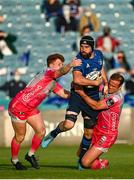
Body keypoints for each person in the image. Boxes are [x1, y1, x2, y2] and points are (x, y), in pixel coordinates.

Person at [8, 53, 82, 170]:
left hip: (30, 108)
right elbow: (62, 71)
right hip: (19, 106)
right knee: (20, 136)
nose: (61, 66)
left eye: (62, 64)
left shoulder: (52, 81)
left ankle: (30, 155)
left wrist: (79, 94)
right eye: (59, 64)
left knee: (41, 131)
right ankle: (15, 160)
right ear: (51, 65)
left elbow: (63, 93)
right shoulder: (48, 72)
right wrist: (71, 64)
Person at [41, 35, 108, 161]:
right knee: (68, 125)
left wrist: (105, 82)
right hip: (78, 94)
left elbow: (101, 68)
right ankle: (53, 134)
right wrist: (95, 83)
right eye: (81, 46)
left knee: (89, 133)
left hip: (93, 97)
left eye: (86, 47)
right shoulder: (79, 59)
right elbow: (77, 79)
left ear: (92, 47)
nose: (83, 49)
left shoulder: (99, 55)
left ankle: (81, 159)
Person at [75, 73, 124, 170]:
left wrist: (81, 93)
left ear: (120, 87)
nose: (110, 87)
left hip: (108, 134)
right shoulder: (104, 88)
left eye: (114, 86)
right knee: (79, 155)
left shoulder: (116, 98)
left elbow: (96, 106)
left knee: (84, 163)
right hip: (97, 129)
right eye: (110, 83)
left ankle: (102, 164)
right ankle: (97, 160)